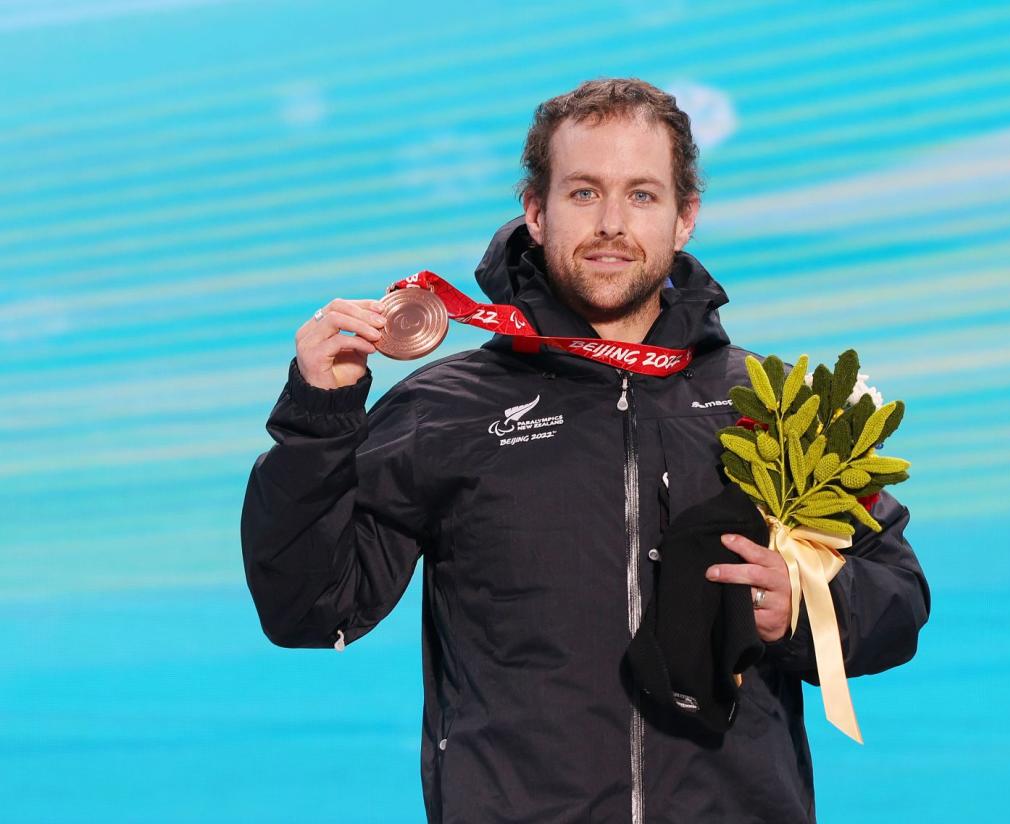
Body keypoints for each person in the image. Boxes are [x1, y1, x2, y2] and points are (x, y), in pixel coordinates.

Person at [241, 78, 930, 824]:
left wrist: (801, 608)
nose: (611, 224)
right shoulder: (447, 410)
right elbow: (309, 608)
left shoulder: (770, 405)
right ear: (535, 212)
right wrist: (319, 418)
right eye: (582, 194)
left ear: (685, 216)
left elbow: (897, 597)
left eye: (641, 195)